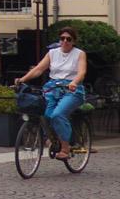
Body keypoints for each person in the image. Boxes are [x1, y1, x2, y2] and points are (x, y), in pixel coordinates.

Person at [17, 27, 88, 160]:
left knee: (58, 114)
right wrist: (22, 80)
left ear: (74, 41)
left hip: (71, 89)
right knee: (47, 115)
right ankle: (52, 139)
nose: (65, 41)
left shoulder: (79, 54)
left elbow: (81, 72)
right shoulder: (52, 53)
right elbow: (39, 69)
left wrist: (74, 82)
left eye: (68, 39)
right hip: (52, 87)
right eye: (62, 38)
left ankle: (65, 148)